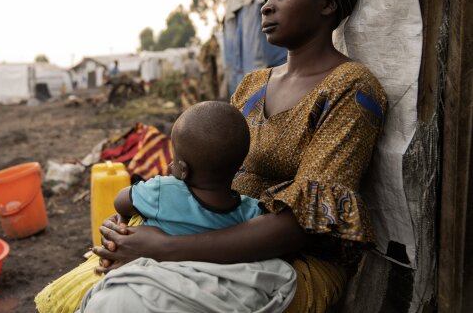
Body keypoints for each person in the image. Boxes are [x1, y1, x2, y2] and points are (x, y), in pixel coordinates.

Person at [89, 0, 388, 313]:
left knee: (125, 303)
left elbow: (303, 224)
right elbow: (205, 177)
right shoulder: (252, 85)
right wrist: (134, 226)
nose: (266, 6)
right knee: (89, 287)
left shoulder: (351, 88)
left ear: (327, 3)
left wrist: (165, 248)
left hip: (292, 261)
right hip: (204, 235)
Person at [35, 101, 297, 313]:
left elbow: (121, 200)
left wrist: (124, 213)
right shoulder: (250, 210)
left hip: (153, 273)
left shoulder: (163, 191)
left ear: (181, 169)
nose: (170, 166)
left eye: (174, 159)